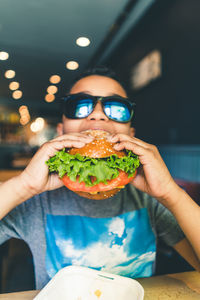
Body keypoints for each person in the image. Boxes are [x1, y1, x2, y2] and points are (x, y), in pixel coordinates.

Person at [0, 66, 199, 290]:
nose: (97, 114)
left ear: (130, 134)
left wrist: (170, 194)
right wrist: (22, 186)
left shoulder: (150, 200)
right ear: (61, 131)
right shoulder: (35, 201)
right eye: (80, 105)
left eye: (116, 108)